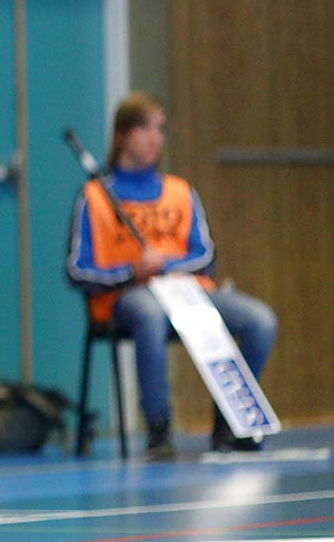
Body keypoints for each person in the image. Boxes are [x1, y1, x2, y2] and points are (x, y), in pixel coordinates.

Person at [65, 94, 277, 461]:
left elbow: (205, 257)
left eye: (160, 129)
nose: (155, 138)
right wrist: (133, 272)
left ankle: (230, 424)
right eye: (145, 128)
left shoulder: (180, 191)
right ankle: (159, 430)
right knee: (150, 315)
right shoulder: (95, 197)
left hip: (189, 292)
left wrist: (165, 265)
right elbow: (78, 270)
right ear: (122, 136)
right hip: (128, 298)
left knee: (260, 320)